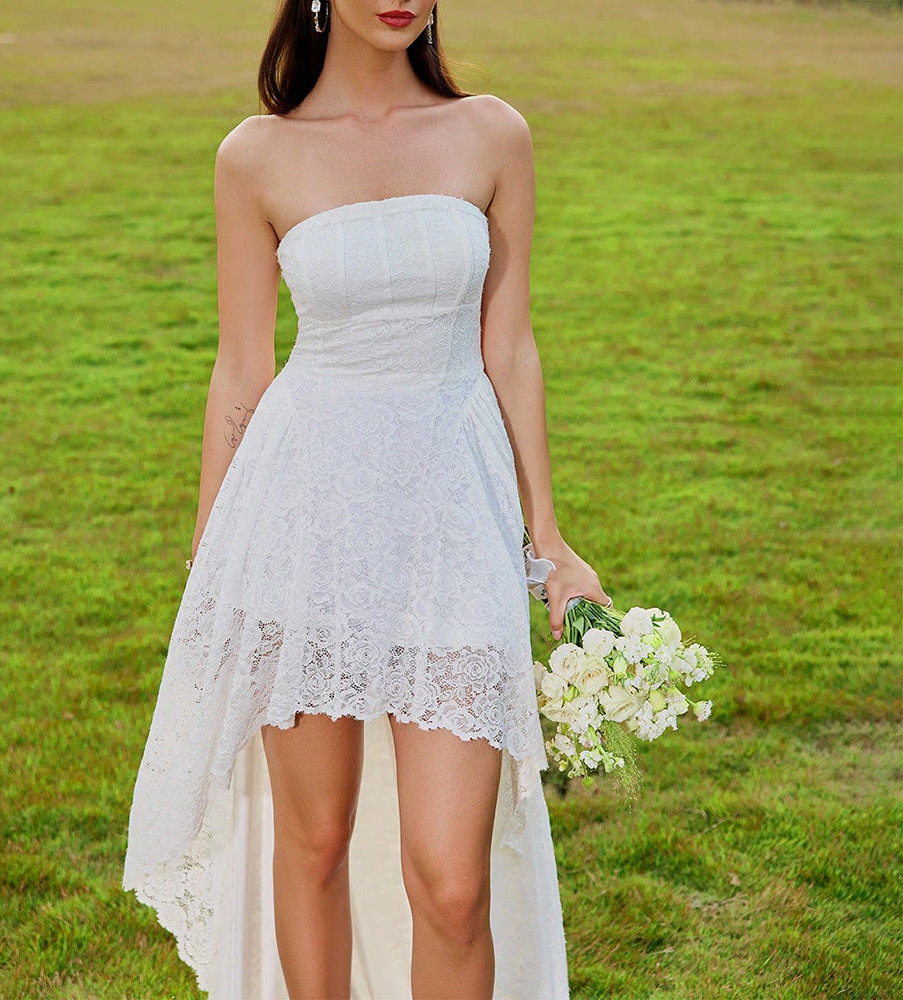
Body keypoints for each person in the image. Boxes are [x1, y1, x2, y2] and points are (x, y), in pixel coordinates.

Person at [122, 2, 611, 998]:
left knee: (451, 879)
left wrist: (548, 538)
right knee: (313, 840)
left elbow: (508, 349)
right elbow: (242, 371)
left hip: (452, 521)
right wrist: (210, 553)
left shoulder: (492, 134)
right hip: (303, 518)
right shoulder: (255, 155)